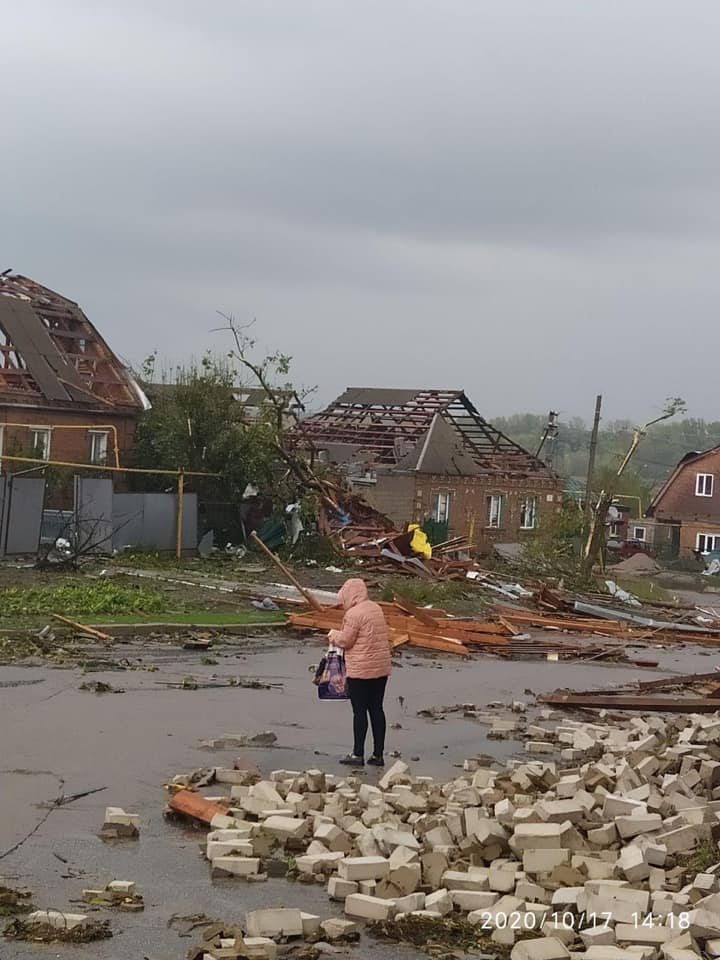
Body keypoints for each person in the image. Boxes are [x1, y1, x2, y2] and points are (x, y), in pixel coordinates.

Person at [328, 578, 391, 767]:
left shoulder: (353, 614)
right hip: (380, 669)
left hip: (360, 670)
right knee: (377, 709)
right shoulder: (376, 608)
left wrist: (333, 634)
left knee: (359, 712)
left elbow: (346, 641)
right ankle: (378, 755)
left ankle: (357, 754)